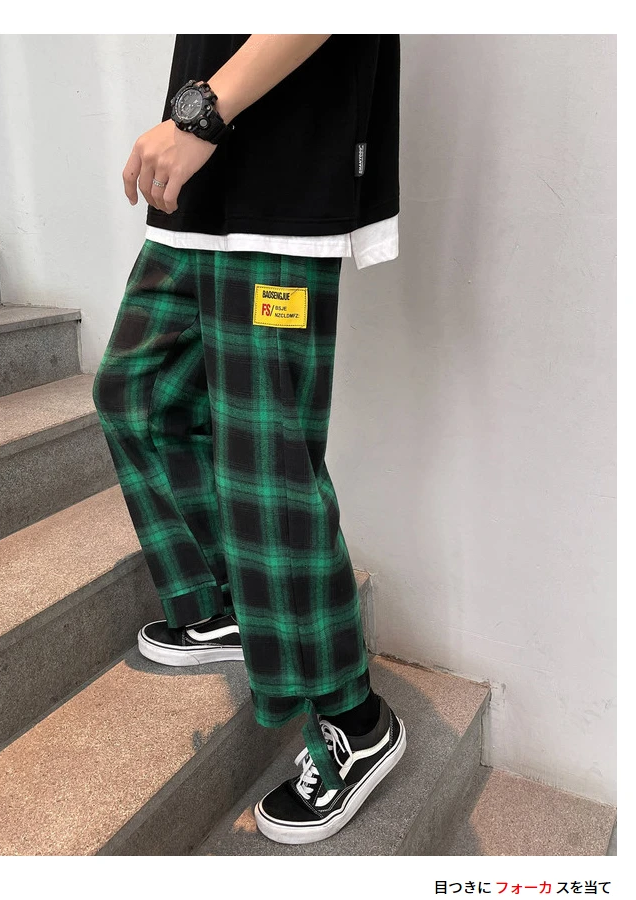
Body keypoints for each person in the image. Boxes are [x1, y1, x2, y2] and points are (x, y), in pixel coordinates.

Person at [93, 34, 406, 845]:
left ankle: (356, 720)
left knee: (267, 471)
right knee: (136, 396)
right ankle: (219, 606)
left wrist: (199, 116)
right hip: (203, 191)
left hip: (278, 186)